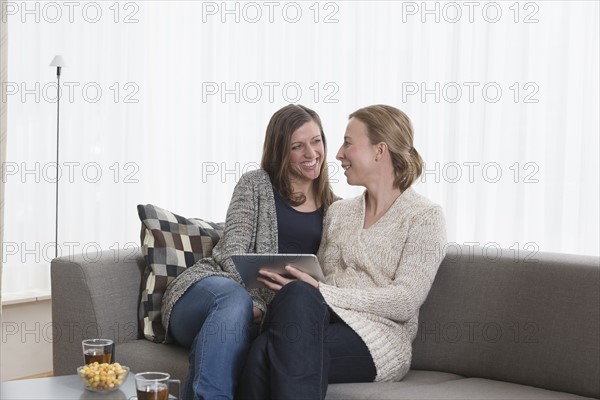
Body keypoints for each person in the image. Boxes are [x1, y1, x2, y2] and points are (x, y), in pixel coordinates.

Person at [237, 105, 447, 399]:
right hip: (326, 321)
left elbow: (404, 301)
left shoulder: (424, 217)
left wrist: (323, 292)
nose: (337, 154)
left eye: (348, 143)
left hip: (380, 339)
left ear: (379, 150)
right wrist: (308, 286)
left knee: (264, 351)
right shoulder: (339, 212)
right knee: (295, 296)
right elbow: (323, 283)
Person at [161, 104, 336, 400]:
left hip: (269, 318)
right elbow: (231, 252)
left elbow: (330, 279)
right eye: (297, 146)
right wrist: (257, 302)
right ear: (281, 150)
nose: (311, 153)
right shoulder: (255, 184)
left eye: (316, 141)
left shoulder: (336, 208)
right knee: (236, 300)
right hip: (212, 290)